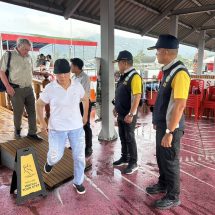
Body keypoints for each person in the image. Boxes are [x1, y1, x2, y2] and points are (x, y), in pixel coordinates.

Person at [146, 34, 190, 209]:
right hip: (164, 125)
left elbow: (179, 105)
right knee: (162, 158)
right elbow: (165, 101)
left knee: (170, 161)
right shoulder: (168, 71)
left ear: (164, 51)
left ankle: (173, 195)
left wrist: (169, 132)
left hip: (171, 127)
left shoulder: (179, 73)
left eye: (157, 51)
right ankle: (163, 184)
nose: (156, 55)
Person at [36, 59, 89, 194]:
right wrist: (42, 123)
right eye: (60, 74)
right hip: (57, 129)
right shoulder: (50, 88)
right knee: (56, 156)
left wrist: (85, 116)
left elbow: (85, 99)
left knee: (79, 156)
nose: (63, 76)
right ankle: (49, 162)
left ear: (70, 72)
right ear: (55, 74)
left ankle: (78, 182)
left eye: (66, 73)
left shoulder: (77, 86)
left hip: (76, 128)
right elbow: (39, 104)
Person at [0, 38, 42, 140]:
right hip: (16, 90)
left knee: (32, 111)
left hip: (29, 88)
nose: (27, 52)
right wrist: (8, 87)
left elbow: (31, 72)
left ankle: (32, 133)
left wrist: (42, 73)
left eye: (28, 50)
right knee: (18, 112)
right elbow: (1, 72)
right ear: (18, 46)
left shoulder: (29, 57)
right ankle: (18, 130)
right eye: (25, 49)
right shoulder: (8, 55)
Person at [112, 50, 142, 174]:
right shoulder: (123, 75)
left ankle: (133, 162)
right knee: (123, 137)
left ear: (124, 62)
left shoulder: (134, 77)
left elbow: (137, 96)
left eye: (118, 62)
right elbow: (121, 94)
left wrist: (131, 114)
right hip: (121, 113)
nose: (117, 65)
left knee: (130, 138)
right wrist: (115, 107)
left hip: (129, 115)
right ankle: (125, 157)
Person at [70, 58, 93, 157]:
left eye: (71, 65)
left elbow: (83, 94)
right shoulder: (74, 77)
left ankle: (88, 147)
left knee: (85, 125)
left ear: (76, 66)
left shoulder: (85, 78)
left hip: (83, 104)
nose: (70, 67)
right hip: (75, 104)